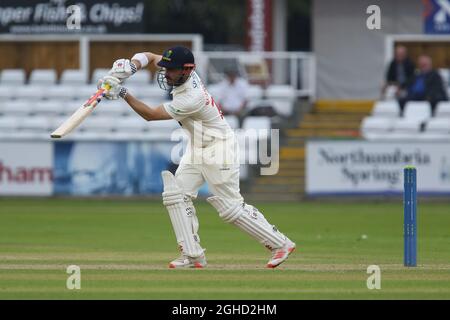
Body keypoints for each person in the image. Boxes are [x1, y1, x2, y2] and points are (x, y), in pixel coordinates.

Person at [97, 46, 295, 269]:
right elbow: (151, 57)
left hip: (219, 148)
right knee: (176, 195)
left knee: (230, 209)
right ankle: (193, 255)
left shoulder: (192, 97)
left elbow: (150, 116)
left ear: (186, 70)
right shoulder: (182, 73)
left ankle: (281, 243)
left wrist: (123, 92)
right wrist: (131, 67)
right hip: (197, 146)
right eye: (166, 69)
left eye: (170, 70)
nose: (165, 73)